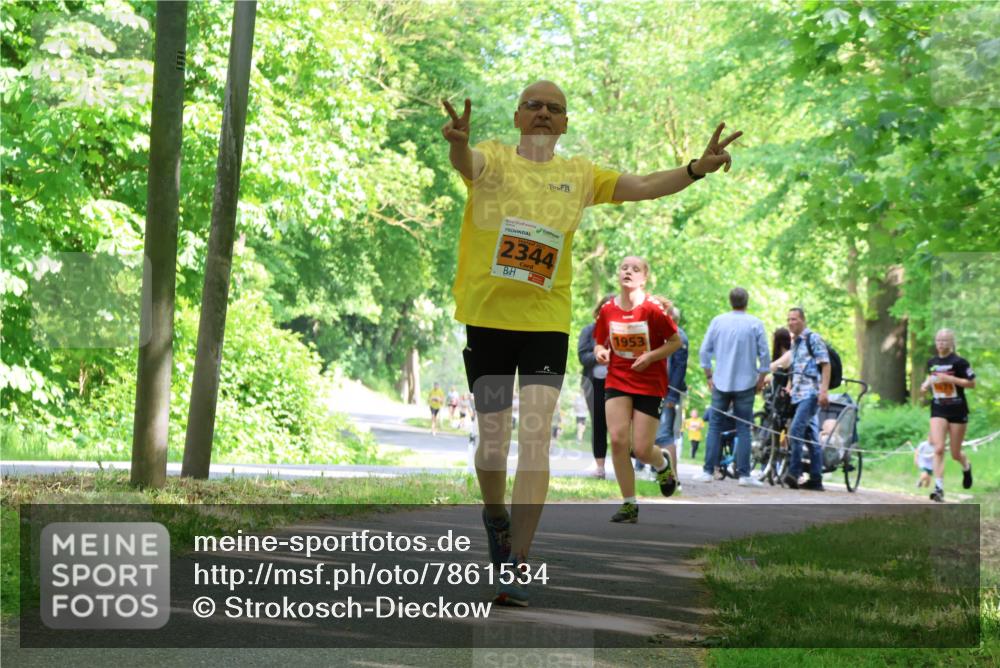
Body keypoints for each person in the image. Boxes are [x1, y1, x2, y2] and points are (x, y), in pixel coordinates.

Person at [442, 80, 742, 606]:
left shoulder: (579, 175)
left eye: (553, 109)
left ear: (564, 123)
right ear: (517, 117)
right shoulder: (491, 157)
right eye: (532, 106)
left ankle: (515, 566)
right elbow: (467, 165)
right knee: (493, 445)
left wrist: (696, 168)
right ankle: (496, 516)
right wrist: (457, 142)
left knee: (534, 438)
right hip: (487, 319)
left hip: (545, 323)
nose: (542, 114)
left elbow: (646, 183)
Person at [594, 255, 682, 523]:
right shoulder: (608, 310)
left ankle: (662, 463)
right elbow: (599, 342)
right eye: (624, 268)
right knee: (619, 440)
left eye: (635, 269)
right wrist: (600, 352)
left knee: (642, 449)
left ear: (644, 277)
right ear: (618, 275)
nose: (628, 272)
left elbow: (675, 342)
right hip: (618, 379)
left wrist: (651, 356)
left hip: (649, 381)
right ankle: (629, 503)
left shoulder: (653, 310)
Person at [693, 287, 769, 487]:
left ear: (730, 301)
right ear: (747, 301)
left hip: (721, 381)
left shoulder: (718, 321)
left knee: (715, 426)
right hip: (746, 383)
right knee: (744, 427)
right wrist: (761, 379)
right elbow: (765, 356)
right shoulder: (755, 323)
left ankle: (708, 471)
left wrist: (709, 375)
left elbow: (704, 351)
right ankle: (744, 475)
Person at [920, 328, 976, 502]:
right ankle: (939, 488)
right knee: (937, 449)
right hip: (938, 408)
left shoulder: (960, 362)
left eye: (944, 341)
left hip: (957, 409)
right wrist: (926, 384)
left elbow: (971, 383)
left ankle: (966, 467)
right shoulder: (932, 362)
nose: (941, 344)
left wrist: (951, 380)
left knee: (955, 452)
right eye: (938, 340)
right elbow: (932, 376)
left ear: (951, 343)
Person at [782, 307, 830, 491]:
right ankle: (816, 480)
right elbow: (795, 367)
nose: (791, 322)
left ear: (803, 320)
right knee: (811, 437)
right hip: (797, 394)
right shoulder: (795, 343)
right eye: (788, 319)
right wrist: (789, 385)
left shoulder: (813, 339)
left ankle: (794, 473)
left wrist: (823, 391)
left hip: (811, 393)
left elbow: (825, 365)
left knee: (795, 430)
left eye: (794, 319)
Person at [578, 295, 614, 479]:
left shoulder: (622, 332)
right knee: (599, 423)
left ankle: (625, 463)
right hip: (593, 384)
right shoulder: (588, 331)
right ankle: (600, 467)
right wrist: (599, 355)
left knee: (618, 425)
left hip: (616, 384)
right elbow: (582, 357)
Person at [654, 305, 688, 479]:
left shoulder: (679, 338)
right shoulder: (660, 336)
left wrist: (672, 397)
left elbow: (679, 370)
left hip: (669, 392)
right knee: (655, 434)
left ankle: (672, 477)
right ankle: (661, 472)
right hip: (655, 390)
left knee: (665, 434)